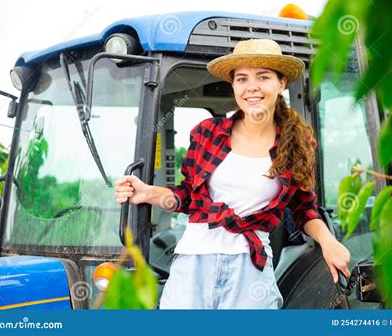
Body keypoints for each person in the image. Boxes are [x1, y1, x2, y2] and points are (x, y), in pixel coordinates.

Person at [115, 39, 350, 309]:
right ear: (234, 85)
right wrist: (148, 192)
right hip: (193, 264)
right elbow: (189, 195)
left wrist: (328, 242)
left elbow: (303, 208)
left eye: (263, 77)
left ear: (281, 83)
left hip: (250, 267)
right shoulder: (207, 133)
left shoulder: (298, 142)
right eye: (242, 79)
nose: (251, 87)